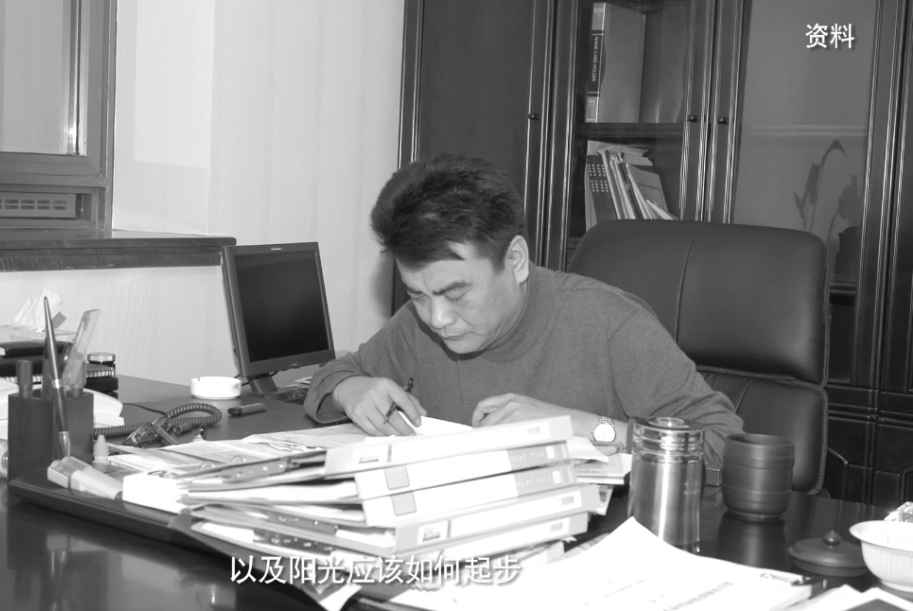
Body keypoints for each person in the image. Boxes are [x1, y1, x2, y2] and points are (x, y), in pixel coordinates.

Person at [303, 154, 744, 467]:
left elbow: (724, 446)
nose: (437, 319)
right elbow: (331, 377)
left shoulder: (611, 324)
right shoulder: (421, 324)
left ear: (514, 260)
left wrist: (578, 425)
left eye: (456, 293)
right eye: (416, 295)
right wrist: (351, 390)